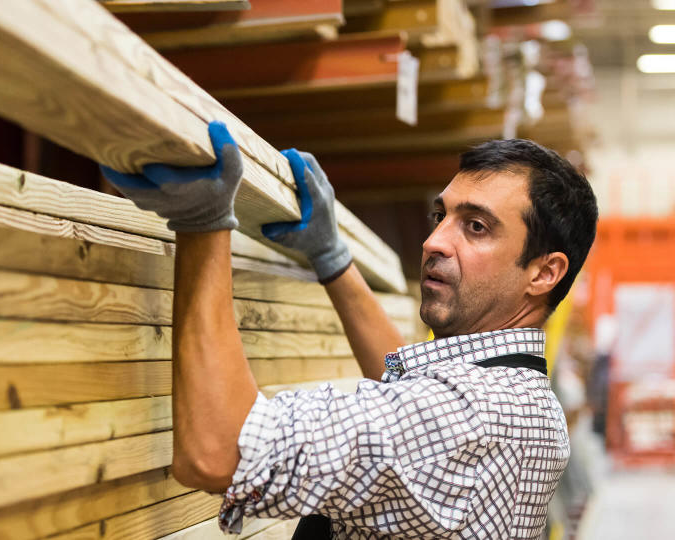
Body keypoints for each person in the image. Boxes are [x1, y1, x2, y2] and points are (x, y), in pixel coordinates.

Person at [100, 121, 598, 539]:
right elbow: (410, 395)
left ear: (544, 273)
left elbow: (217, 452)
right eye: (440, 215)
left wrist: (202, 223)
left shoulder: (469, 416)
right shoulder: (516, 394)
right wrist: (334, 260)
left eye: (476, 227)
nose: (433, 241)